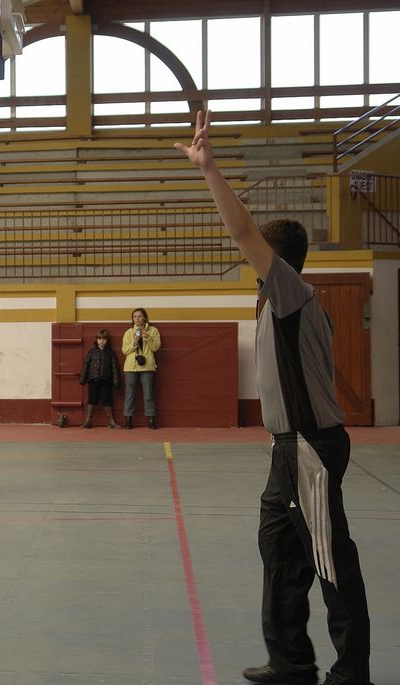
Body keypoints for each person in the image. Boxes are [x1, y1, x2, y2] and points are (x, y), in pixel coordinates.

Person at [178, 110, 374, 685]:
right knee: (279, 551)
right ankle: (291, 663)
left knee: (331, 558)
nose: (248, 254)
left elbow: (241, 232)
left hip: (309, 446)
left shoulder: (289, 291)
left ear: (274, 256)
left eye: (258, 249)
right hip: (287, 451)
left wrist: (209, 167)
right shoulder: (277, 303)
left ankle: (352, 670)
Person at [120, 308, 160, 429]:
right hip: (130, 367)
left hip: (147, 366)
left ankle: (151, 419)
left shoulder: (153, 330)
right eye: (134, 317)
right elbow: (124, 350)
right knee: (129, 394)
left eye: (139, 316)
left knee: (149, 394)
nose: (137, 319)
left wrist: (147, 337)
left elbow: (155, 347)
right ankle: (128, 420)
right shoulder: (129, 332)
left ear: (145, 318)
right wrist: (134, 342)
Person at [78, 329, 121, 429]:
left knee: (107, 400)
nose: (102, 341)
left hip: (106, 380)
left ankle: (111, 421)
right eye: (99, 339)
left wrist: (116, 382)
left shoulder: (111, 353)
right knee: (92, 399)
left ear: (107, 340)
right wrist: (82, 378)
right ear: (96, 340)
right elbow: (86, 366)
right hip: (93, 380)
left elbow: (115, 368)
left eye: (104, 339)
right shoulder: (92, 352)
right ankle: (88, 420)